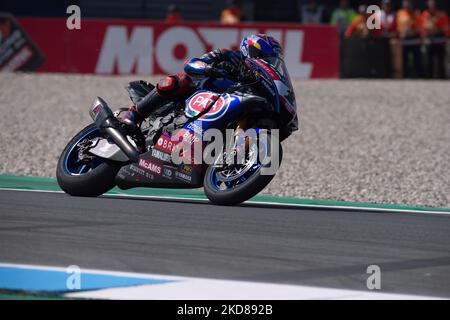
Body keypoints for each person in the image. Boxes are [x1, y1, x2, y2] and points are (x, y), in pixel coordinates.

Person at [122, 34, 283, 130]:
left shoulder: (259, 81)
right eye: (261, 56)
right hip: (195, 97)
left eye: (270, 60)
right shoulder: (228, 55)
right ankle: (133, 115)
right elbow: (192, 63)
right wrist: (212, 69)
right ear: (249, 50)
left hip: (223, 109)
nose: (264, 61)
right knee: (178, 80)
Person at [419, 0, 449, 78]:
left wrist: (443, 34)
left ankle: (442, 77)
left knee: (440, 60)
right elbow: (422, 28)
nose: (431, 6)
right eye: (430, 4)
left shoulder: (442, 14)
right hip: (429, 40)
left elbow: (446, 28)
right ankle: (429, 77)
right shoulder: (425, 14)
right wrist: (423, 37)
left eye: (433, 4)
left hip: (439, 40)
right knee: (429, 61)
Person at [396, 0, 424, 78]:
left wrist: (413, 32)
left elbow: (420, 27)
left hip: (415, 41)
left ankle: (419, 76)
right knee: (404, 61)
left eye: (409, 3)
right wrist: (401, 33)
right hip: (404, 41)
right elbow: (398, 26)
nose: (407, 4)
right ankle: (405, 76)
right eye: (405, 3)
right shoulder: (400, 13)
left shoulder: (416, 13)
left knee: (417, 61)